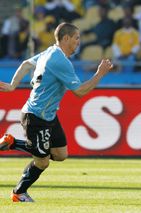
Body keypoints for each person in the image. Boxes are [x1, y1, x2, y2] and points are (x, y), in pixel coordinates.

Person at [0, 22, 113, 202]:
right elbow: (80, 92)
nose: (78, 42)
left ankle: (12, 142)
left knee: (60, 155)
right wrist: (100, 74)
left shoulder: (50, 52)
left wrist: (14, 85)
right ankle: (18, 192)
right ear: (66, 38)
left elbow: (25, 64)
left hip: (48, 116)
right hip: (36, 116)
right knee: (42, 161)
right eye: (76, 38)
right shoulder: (60, 60)